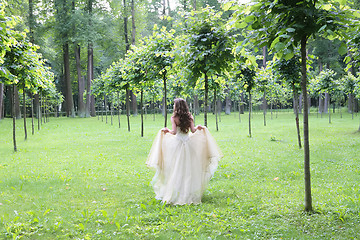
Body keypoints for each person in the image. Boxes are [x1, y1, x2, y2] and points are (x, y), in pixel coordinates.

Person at [146, 98, 223, 205]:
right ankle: (188, 192)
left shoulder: (174, 118)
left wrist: (166, 130)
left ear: (176, 107)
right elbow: (193, 130)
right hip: (188, 144)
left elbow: (173, 132)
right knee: (188, 169)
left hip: (177, 143)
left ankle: (176, 191)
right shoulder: (189, 117)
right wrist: (199, 127)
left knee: (176, 168)